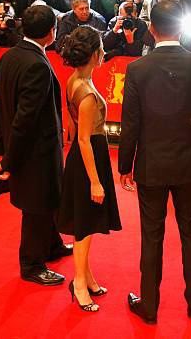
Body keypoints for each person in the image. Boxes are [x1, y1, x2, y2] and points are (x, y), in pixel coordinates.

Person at [119, 0, 191, 324]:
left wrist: (124, 165)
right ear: (182, 25)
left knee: (152, 234)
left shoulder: (137, 69)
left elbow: (130, 122)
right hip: (189, 163)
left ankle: (149, 305)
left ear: (151, 28)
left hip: (151, 165)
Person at [0, 5, 72, 286]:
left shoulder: (10, 56)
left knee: (46, 200)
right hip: (35, 152)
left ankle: (52, 245)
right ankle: (32, 265)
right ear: (52, 32)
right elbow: (26, 119)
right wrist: (8, 161)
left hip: (22, 148)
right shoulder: (36, 64)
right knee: (37, 206)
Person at [56, 25, 122, 312]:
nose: (105, 51)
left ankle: (88, 277)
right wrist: (95, 182)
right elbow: (82, 139)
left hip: (85, 158)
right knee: (83, 227)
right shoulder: (86, 93)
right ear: (95, 53)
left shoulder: (74, 80)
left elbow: (71, 131)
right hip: (89, 159)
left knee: (87, 225)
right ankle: (79, 283)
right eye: (102, 47)